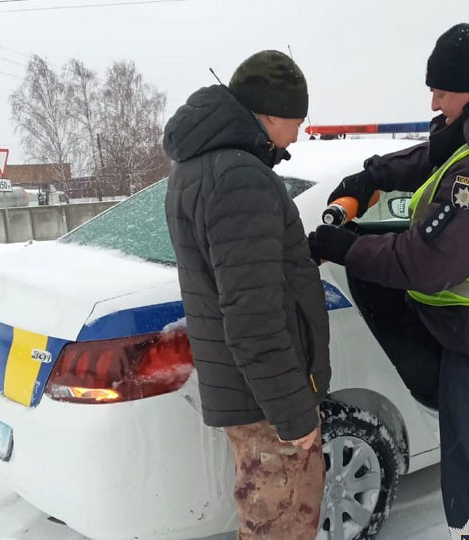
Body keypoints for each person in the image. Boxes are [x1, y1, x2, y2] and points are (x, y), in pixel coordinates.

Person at [309, 23, 469, 538]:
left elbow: (427, 261)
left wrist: (343, 248)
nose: (433, 101)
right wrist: (375, 176)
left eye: (442, 90)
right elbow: (439, 153)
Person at [163, 50, 331, 540]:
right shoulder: (240, 177)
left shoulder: (199, 166)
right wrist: (294, 412)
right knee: (281, 522)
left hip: (247, 391)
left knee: (267, 518)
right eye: (296, 121)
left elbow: (240, 274)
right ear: (270, 113)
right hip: (266, 402)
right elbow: (252, 314)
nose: (298, 133)